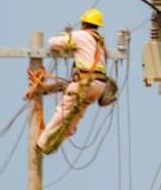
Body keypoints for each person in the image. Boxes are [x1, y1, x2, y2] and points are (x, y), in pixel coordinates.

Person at [36, 8, 109, 155]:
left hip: (84, 82)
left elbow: (54, 43)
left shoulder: (80, 35)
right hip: (99, 86)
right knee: (76, 116)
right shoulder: (100, 41)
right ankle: (54, 145)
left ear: (83, 23)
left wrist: (66, 36)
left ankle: (42, 144)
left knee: (62, 112)